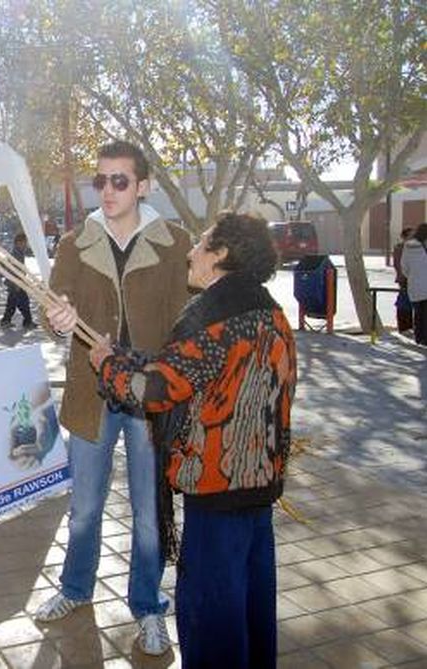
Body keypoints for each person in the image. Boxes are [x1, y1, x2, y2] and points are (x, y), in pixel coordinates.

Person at [77, 212, 297, 669]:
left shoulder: (213, 319)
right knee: (253, 609)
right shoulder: (269, 311)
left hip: (218, 493)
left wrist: (107, 366)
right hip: (259, 490)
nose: (190, 254)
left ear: (221, 256)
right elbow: (185, 370)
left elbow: (154, 391)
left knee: (211, 618)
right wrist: (123, 356)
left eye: (200, 245)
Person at [35, 140, 191, 657]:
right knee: (84, 508)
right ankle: (75, 589)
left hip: (148, 397)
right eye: (99, 181)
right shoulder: (75, 243)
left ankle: (148, 607)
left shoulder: (174, 243)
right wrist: (58, 317)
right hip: (92, 394)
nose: (107, 190)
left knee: (149, 514)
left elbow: (185, 322)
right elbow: (53, 309)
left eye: (119, 181)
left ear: (143, 185)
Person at [0, 233, 36, 330]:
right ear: (19, 242)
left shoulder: (18, 251)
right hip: (16, 282)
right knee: (22, 303)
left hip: (17, 282)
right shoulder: (15, 253)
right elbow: (13, 269)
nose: (26, 244)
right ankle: (27, 322)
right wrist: (17, 283)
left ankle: (6, 321)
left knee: (14, 303)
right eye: (24, 242)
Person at [400, 223, 427, 345]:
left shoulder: (407, 246)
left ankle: (419, 337)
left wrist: (412, 276)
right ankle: (426, 338)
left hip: (414, 285)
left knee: (418, 313)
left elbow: (404, 267)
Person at [393, 228, 414, 333]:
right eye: (410, 236)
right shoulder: (400, 248)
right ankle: (404, 326)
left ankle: (410, 325)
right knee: (404, 302)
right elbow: (398, 264)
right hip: (405, 280)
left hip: (415, 280)